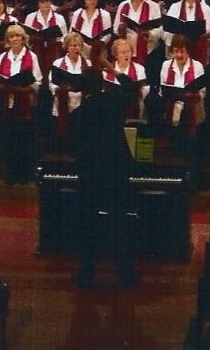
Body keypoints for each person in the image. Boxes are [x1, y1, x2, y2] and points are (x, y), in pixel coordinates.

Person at [69, 44, 140, 289]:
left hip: (90, 173)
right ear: (102, 84)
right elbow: (132, 87)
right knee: (120, 220)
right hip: (116, 169)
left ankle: (86, 272)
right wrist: (111, 67)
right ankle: (124, 271)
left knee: (87, 221)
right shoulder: (112, 101)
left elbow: (73, 146)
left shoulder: (79, 114)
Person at [0, 24, 42, 183]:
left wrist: (25, 88)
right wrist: (1, 84)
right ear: (7, 40)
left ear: (23, 38)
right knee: (10, 140)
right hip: (8, 103)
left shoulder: (31, 56)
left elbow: (38, 81)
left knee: (24, 140)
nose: (15, 39)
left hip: (24, 103)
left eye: (17, 36)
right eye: (11, 37)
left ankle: (24, 174)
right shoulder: (3, 56)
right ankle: (11, 173)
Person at [159, 34, 206, 140]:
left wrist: (196, 95)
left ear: (188, 51)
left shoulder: (197, 66)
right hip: (173, 107)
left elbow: (203, 92)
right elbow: (163, 90)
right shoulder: (166, 65)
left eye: (182, 51)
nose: (179, 55)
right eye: (176, 51)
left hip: (193, 107)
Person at [49, 31, 90, 150]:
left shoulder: (88, 63)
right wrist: (59, 89)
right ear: (67, 47)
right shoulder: (58, 63)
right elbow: (52, 84)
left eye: (78, 45)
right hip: (63, 101)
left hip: (81, 103)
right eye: (72, 45)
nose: (75, 48)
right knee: (63, 135)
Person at [105, 37, 149, 120]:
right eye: (122, 52)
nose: (126, 55)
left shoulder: (139, 68)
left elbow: (143, 91)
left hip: (133, 104)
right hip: (113, 105)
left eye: (128, 52)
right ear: (116, 55)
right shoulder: (109, 70)